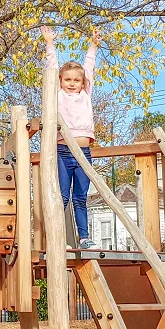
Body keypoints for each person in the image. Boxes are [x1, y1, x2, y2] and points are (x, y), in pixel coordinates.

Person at [41, 24, 100, 250]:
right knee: (62, 196)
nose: (73, 83)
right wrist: (50, 44)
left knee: (80, 197)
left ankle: (84, 238)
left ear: (83, 82)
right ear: (61, 81)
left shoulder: (86, 94)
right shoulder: (58, 95)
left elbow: (89, 67)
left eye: (76, 80)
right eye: (68, 80)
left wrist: (93, 46)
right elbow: (52, 67)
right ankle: (56, 239)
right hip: (63, 153)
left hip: (84, 152)